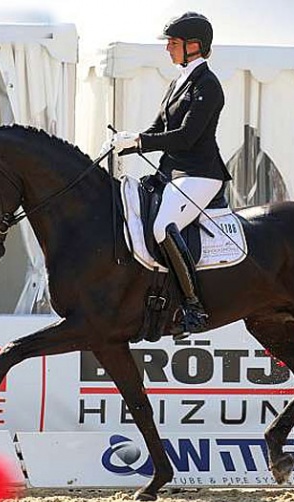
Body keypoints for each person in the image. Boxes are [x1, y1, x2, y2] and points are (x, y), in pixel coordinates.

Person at [104, 12, 231, 338]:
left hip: (200, 174)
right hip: (171, 172)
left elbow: (187, 136)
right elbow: (160, 127)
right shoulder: (178, 81)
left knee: (163, 226)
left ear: (194, 46)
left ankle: (193, 306)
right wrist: (126, 143)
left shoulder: (208, 85)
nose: (168, 49)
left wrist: (142, 141)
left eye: (173, 43)